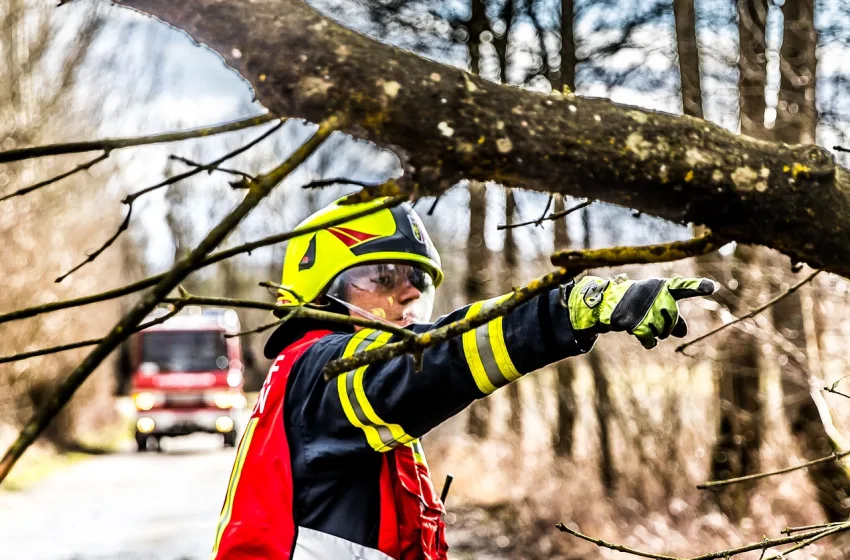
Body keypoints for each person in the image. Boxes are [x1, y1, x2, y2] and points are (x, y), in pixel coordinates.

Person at [210, 195, 716, 560]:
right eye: (385, 277)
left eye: (418, 282)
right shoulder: (325, 370)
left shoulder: (304, 380)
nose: (407, 295)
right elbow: (439, 361)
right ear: (322, 293)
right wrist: (567, 311)